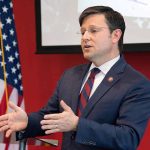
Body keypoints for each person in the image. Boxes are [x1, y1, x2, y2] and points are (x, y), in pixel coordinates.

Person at [0, 6, 150, 150]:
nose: (85, 37)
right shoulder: (71, 75)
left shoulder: (136, 84)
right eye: (83, 32)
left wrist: (78, 125)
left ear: (116, 35)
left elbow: (128, 138)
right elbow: (50, 116)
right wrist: (28, 121)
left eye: (93, 31)